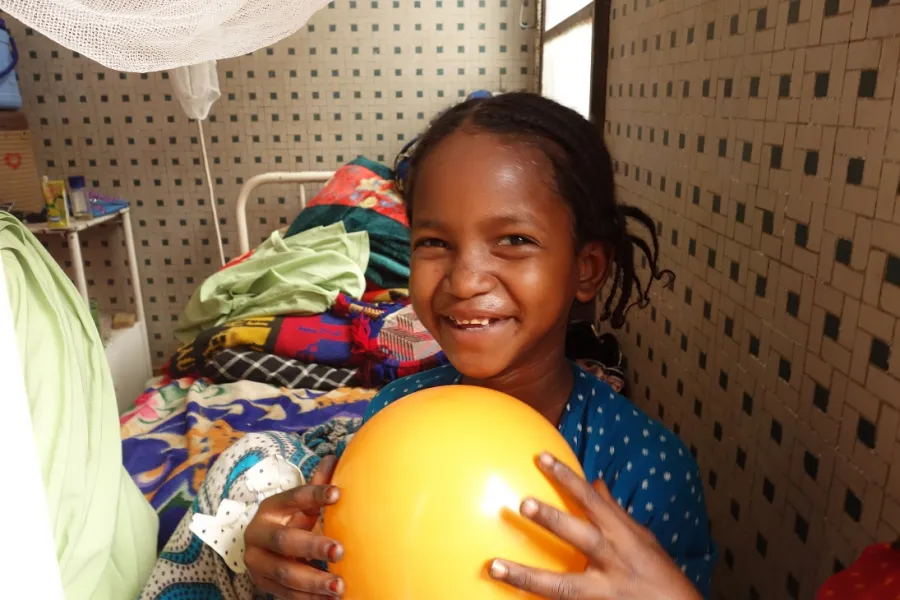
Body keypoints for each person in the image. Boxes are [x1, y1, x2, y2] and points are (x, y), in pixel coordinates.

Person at [139, 92, 715, 600]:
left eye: (514, 240)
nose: (464, 281)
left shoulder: (647, 469)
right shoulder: (399, 407)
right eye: (435, 242)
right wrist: (279, 558)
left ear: (585, 268)